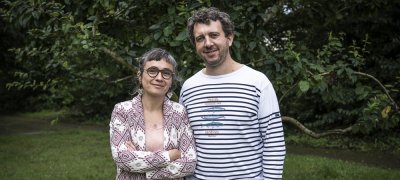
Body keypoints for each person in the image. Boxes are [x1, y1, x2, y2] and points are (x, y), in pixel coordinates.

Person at [179, 7, 286, 179]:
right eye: (200, 38)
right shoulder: (188, 88)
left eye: (214, 35)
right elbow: (183, 141)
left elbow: (274, 143)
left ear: (229, 38)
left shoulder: (258, 83)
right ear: (195, 45)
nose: (207, 43)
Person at [109, 48, 196, 179]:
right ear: (140, 75)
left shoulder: (179, 112)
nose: (159, 78)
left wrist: (147, 170)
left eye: (166, 73)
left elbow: (189, 163)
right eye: (152, 71)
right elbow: (122, 158)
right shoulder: (123, 111)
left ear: (171, 80)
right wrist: (170, 156)